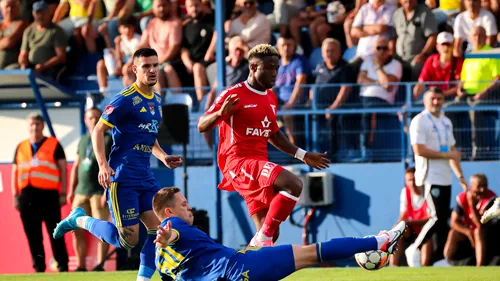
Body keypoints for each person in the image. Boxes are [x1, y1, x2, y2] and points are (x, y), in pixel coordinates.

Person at [53, 48, 183, 281]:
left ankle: (143, 279)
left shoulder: (157, 100)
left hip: (145, 175)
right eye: (146, 66)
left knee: (159, 230)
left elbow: (148, 134)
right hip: (122, 176)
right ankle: (78, 219)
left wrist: (162, 156)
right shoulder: (124, 99)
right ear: (135, 69)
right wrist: (103, 165)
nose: (152, 70)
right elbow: (98, 130)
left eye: (155, 65)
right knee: (128, 239)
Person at [197, 44, 331, 247]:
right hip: (239, 162)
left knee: (269, 235)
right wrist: (219, 114)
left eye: (277, 67)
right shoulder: (233, 94)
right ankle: (262, 238)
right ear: (253, 67)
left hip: (258, 164)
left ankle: (241, 272)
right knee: (294, 184)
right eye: (269, 67)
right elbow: (201, 125)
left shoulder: (271, 97)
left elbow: (273, 134)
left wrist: (303, 155)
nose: (274, 73)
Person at [152, 187, 406, 280]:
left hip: (235, 268)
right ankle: (382, 240)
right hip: (241, 268)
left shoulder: (159, 259)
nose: (189, 207)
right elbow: (174, 235)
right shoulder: (175, 225)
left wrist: (165, 242)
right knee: (313, 252)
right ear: (168, 211)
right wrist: (169, 237)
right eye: (183, 204)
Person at [408, 87, 467, 262]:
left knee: (442, 220)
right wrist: (447, 155)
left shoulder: (446, 122)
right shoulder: (419, 121)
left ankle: (440, 258)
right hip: (429, 176)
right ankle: (414, 249)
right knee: (436, 217)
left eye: (439, 99)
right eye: (432, 98)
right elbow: (418, 150)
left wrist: (461, 177)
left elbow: (452, 151)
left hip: (445, 176)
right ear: (425, 101)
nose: (436, 102)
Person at [12, 112, 69, 272]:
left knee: (55, 232)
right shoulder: (21, 146)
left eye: (37, 124)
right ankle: (39, 267)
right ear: (28, 126)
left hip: (48, 196)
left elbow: (63, 169)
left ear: (43, 126)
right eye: (32, 124)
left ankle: (62, 265)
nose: (34, 127)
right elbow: (15, 171)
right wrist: (15, 195)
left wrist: (63, 192)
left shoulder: (54, 144)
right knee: (33, 235)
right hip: (26, 196)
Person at [66, 107, 112, 272]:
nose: (93, 121)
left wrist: (107, 191)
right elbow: (77, 165)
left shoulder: (108, 139)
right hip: (80, 191)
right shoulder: (83, 139)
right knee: (75, 228)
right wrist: (71, 190)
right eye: (90, 118)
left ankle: (100, 265)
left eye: (96, 118)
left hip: (98, 192)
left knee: (102, 229)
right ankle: (81, 265)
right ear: (85, 120)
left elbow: (112, 165)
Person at [444, 173, 496, 266]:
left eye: (485, 185)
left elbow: (480, 224)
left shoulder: (491, 199)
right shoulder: (462, 197)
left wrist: (472, 205)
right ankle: (448, 260)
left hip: (489, 233)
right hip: (470, 231)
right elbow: (453, 222)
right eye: (479, 186)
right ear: (471, 187)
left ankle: (480, 265)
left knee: (478, 231)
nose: (482, 189)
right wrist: (467, 232)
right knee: (453, 233)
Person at [390, 167, 432, 267]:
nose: (412, 183)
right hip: (411, 230)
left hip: (425, 229)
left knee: (428, 234)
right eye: (409, 180)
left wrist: (409, 222)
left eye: (414, 179)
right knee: (397, 231)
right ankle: (393, 266)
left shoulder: (427, 192)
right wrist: (397, 227)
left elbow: (430, 219)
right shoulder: (405, 192)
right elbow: (403, 215)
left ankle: (424, 267)